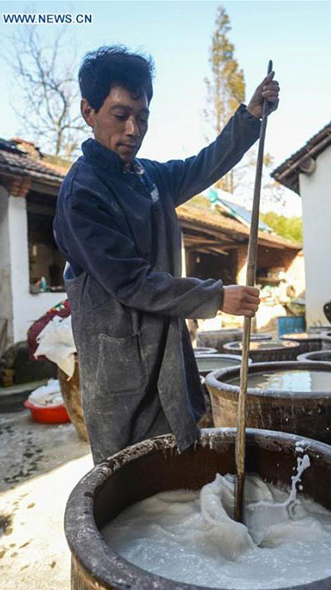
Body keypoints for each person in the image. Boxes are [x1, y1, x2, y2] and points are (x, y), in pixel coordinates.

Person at [54, 45, 280, 464]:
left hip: (167, 357)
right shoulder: (82, 194)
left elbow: (204, 164)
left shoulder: (148, 177)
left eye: (142, 117)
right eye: (120, 115)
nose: (133, 130)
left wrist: (250, 118)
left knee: (179, 464)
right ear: (89, 111)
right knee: (129, 472)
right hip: (120, 371)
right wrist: (217, 297)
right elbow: (132, 282)